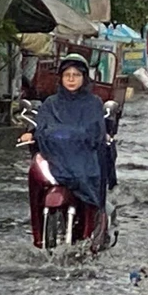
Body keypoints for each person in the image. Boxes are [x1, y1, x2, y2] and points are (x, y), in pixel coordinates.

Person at [19, 54, 112, 249]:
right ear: (60, 78)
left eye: (76, 75)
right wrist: (31, 133)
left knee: (94, 173)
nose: (71, 79)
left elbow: (95, 130)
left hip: (83, 160)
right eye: (67, 75)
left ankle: (93, 225)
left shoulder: (93, 103)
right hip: (55, 160)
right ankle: (38, 233)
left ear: (84, 78)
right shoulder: (51, 103)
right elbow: (42, 125)